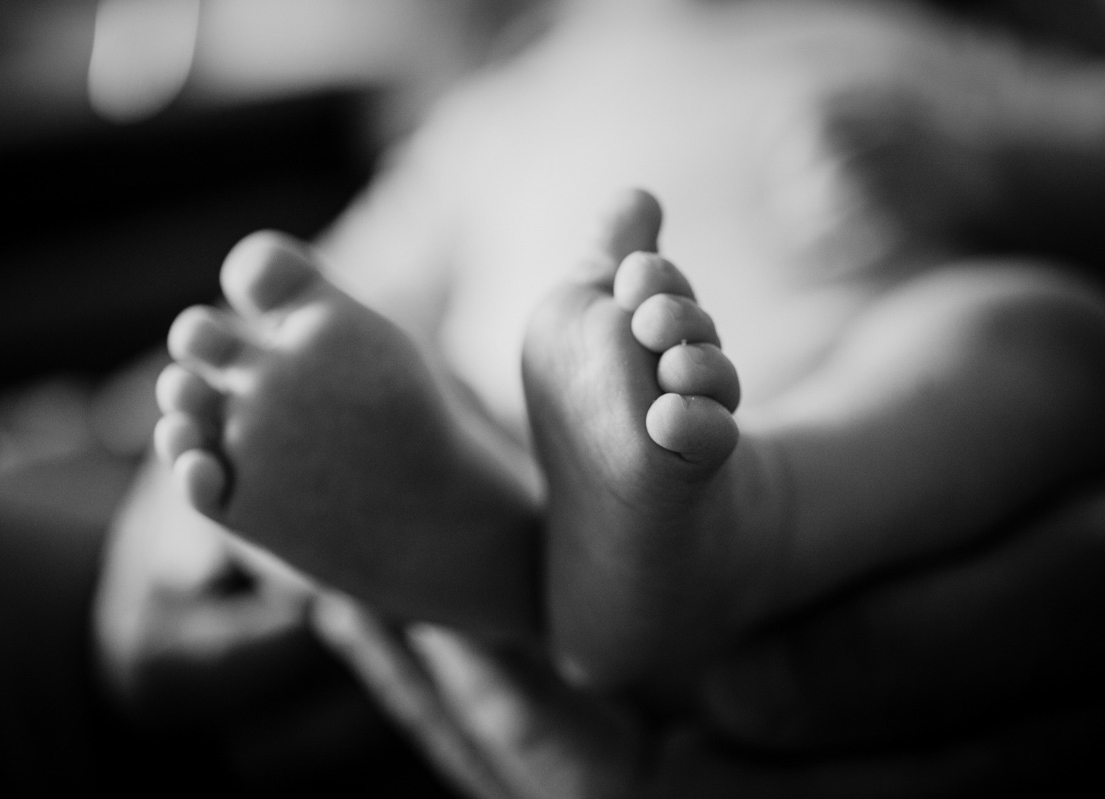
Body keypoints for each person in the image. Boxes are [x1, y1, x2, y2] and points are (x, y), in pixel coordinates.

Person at [151, 0, 1105, 698]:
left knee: (1038, 326)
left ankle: (727, 526)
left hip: (875, 397)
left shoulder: (889, 33)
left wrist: (986, 165)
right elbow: (335, 303)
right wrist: (179, 490)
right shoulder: (496, 109)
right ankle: (519, 544)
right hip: (538, 443)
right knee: (373, 373)